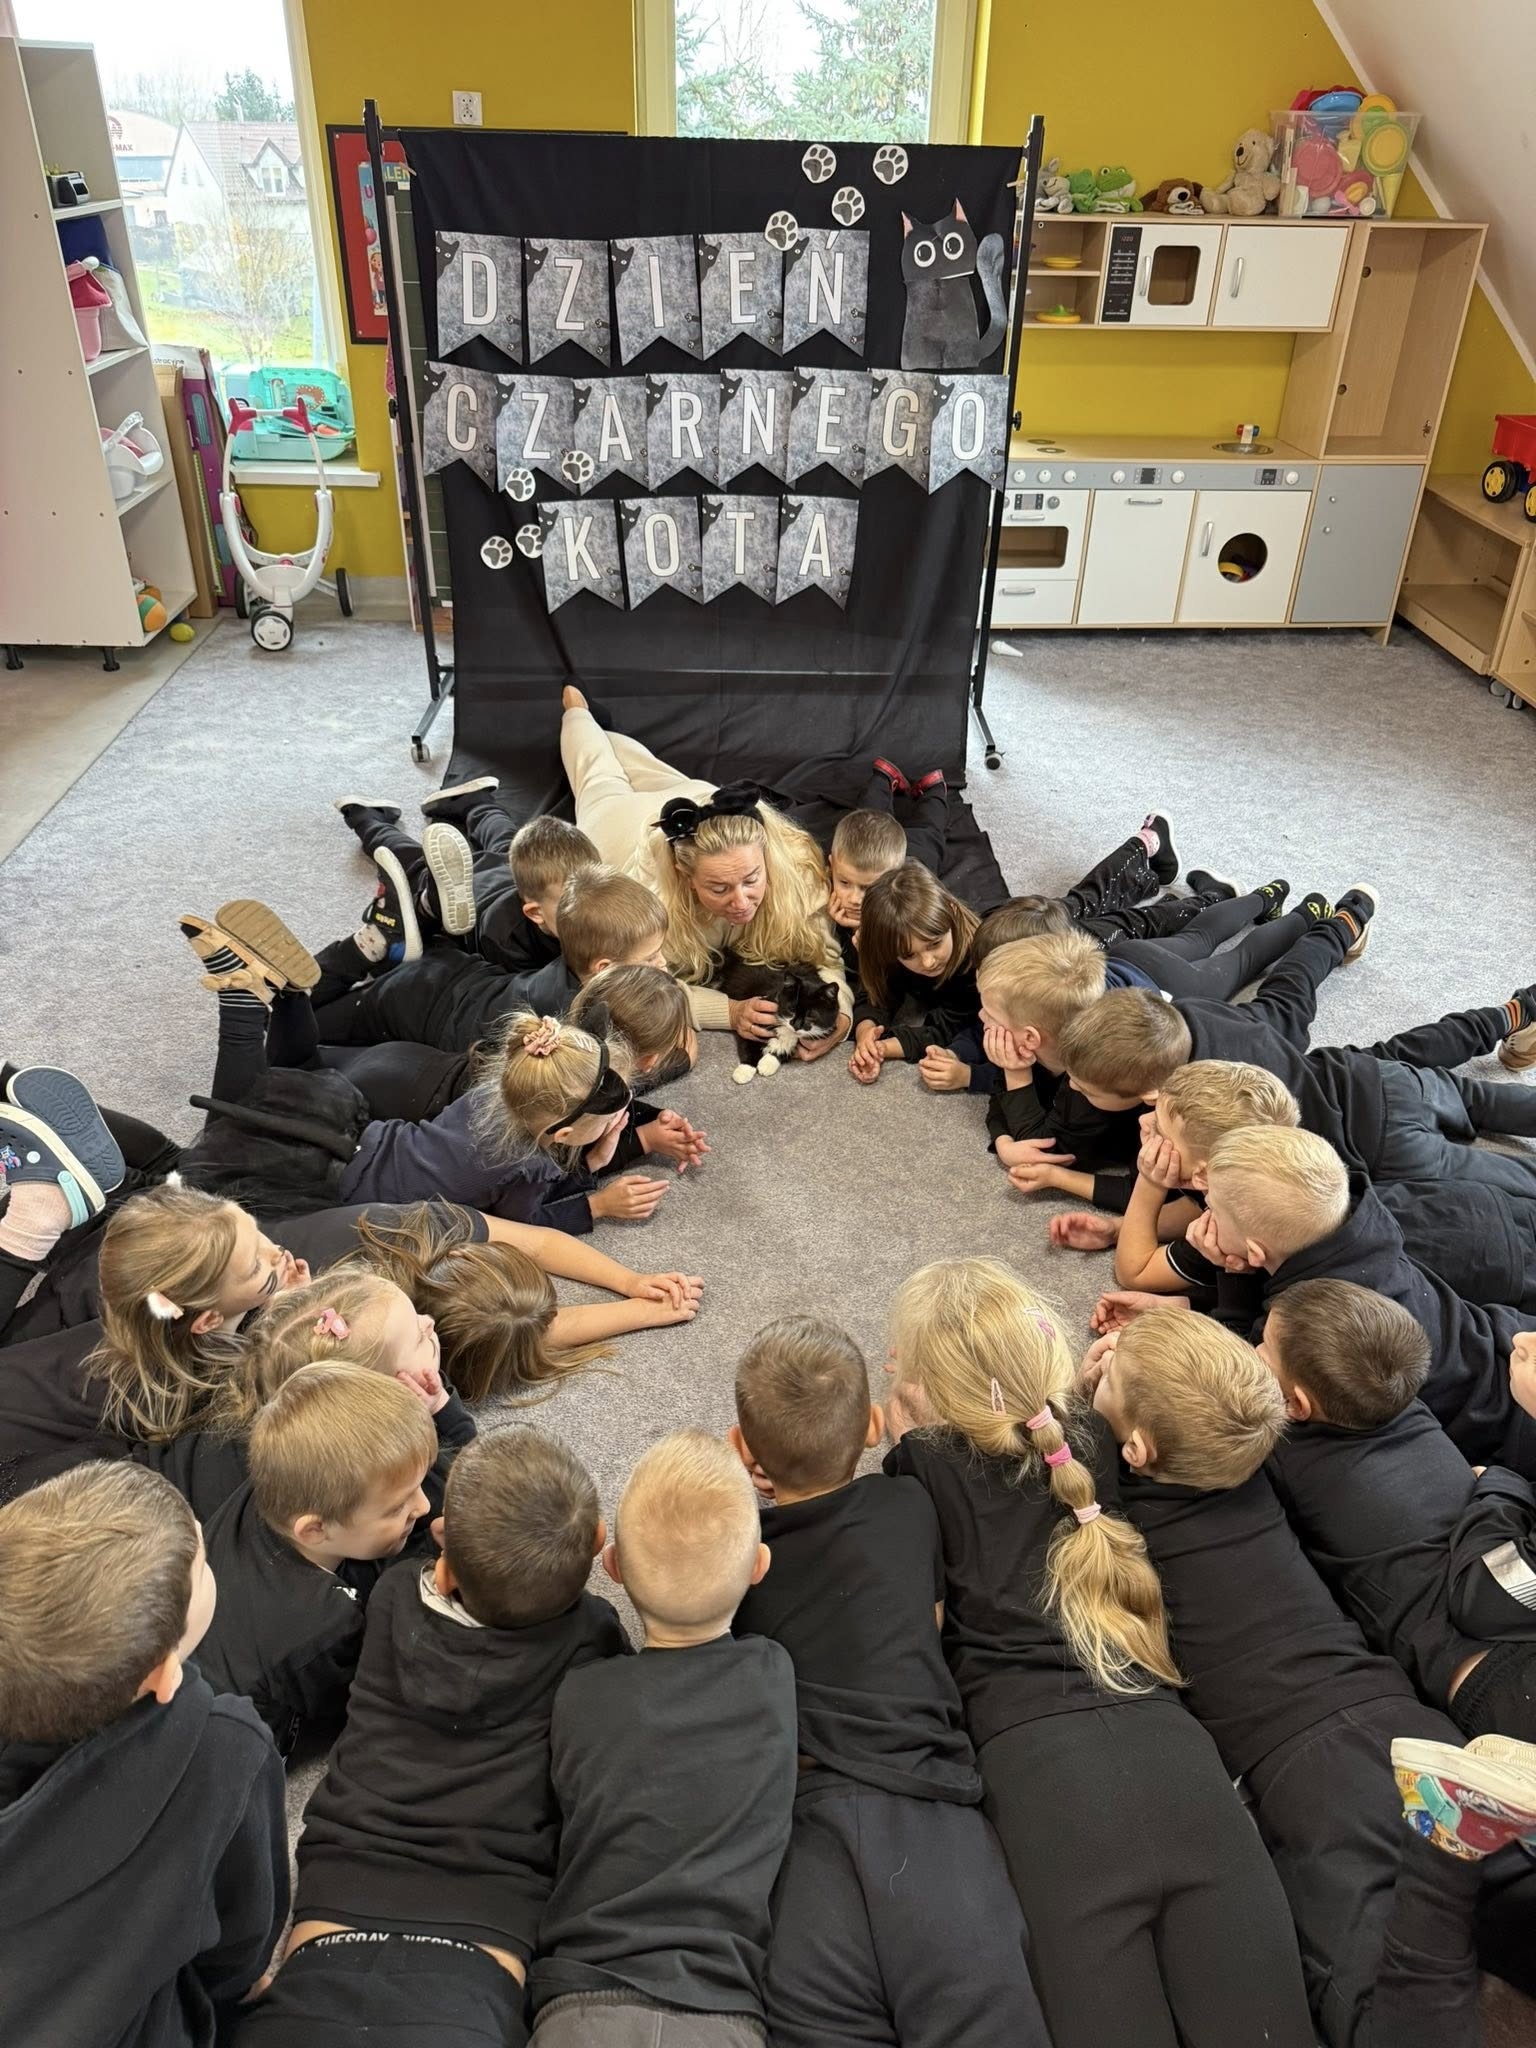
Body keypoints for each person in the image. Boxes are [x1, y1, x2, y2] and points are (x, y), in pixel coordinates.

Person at [882, 1257, 1314, 2048]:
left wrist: (903, 1429)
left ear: (923, 1387)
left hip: (1043, 1781)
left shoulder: (921, 1464)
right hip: (1173, 1750)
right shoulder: (1093, 1443)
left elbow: (916, 1622)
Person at [1086, 1307, 1515, 2048]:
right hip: (1396, 1712)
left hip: (1307, 1777)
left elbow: (1058, 1458)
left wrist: (1091, 1394)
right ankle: (1463, 1851)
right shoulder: (1260, 1465)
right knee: (1512, 1891)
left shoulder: (1118, 1493)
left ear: (1139, 1449)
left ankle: (1443, 1865)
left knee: (1371, 2012)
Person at [235, 1431, 629, 2048]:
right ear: (600, 1540)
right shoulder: (593, 1635)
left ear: (443, 1570)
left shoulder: (394, 1596)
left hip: (340, 1895)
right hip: (488, 1921)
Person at [727, 1316, 1051, 2048]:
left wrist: (738, 1486)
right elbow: (930, 1621)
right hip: (927, 1805)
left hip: (804, 1824)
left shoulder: (740, 1560)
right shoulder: (906, 1507)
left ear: (744, 1447)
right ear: (872, 1426)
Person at [0, 1461, 289, 2048]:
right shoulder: (226, 1748)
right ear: (161, 1675)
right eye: (201, 1568)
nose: (206, 1548)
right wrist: (236, 1989)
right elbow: (244, 1930)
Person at [528, 1431, 798, 2046]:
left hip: (581, 1997)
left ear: (613, 1568)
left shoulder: (581, 1694)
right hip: (720, 2004)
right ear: (759, 1567)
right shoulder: (771, 1673)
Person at [177, 911, 661, 1233]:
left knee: (290, 1077)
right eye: (609, 1122)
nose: (615, 1126)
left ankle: (290, 996)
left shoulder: (498, 1089)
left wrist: (592, 1145)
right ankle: (241, 1005)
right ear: (566, 1133)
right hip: (340, 1182)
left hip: (349, 1128)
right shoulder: (526, 1164)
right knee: (225, 1143)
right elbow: (527, 1222)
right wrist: (596, 1199)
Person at [1258, 1279, 1536, 1749]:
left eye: (1261, 1351)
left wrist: (1503, 1486)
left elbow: (1489, 1596)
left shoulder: (1284, 1457)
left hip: (1497, 1680)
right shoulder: (1403, 1401)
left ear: (1297, 1405)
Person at [1199, 1125, 1536, 1471]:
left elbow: (1241, 1371)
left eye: (1210, 1208)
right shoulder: (1361, 1225)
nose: (1204, 1217)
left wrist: (1231, 1276)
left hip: (1507, 1423)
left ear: (1256, 1252)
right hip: (1503, 1336)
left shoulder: (1309, 1321)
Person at [557, 685, 851, 1054]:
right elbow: (631, 986)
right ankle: (577, 711)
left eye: (751, 880)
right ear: (686, 878)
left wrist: (842, 1017)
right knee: (599, 774)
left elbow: (826, 958)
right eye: (719, 888)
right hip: (620, 824)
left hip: (695, 798)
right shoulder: (648, 898)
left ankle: (611, 734)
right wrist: (727, 1011)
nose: (741, 902)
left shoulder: (792, 865)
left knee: (645, 764)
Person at [1056, 977, 1536, 1198]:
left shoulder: (1194, 1120)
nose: (1074, 1091)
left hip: (1383, 1148)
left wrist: (1064, 1179)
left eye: (1084, 1089)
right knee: (1483, 1099)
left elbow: (1165, 1192)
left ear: (1151, 1097)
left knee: (1498, 1176)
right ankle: (1517, 1012)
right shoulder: (1189, 1016)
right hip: (1373, 1076)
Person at [196, 1357, 446, 1752]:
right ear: (314, 1529)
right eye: (397, 1507)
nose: (423, 1506)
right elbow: (362, 1705)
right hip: (237, 1741)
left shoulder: (283, 1484)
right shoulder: (323, 1626)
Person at [305, 865, 669, 1052]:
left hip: (450, 971)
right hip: (413, 1008)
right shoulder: (575, 1020)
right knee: (300, 1031)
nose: (664, 964)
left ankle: (413, 922)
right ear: (604, 969)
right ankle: (361, 950)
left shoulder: (580, 959)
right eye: (651, 958)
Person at [846, 864, 982, 1084]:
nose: (928, 962)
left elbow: (948, 1029)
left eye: (935, 944)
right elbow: (876, 990)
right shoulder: (897, 942)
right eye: (909, 955)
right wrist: (866, 1034)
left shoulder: (975, 965)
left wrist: (883, 1048)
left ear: (953, 912)